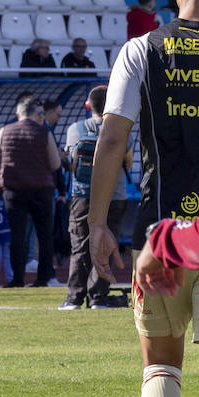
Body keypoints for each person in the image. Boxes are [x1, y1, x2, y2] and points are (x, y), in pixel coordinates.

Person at [89, 0, 199, 397]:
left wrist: (98, 223)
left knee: (162, 364)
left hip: (165, 238)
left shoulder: (142, 51)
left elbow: (112, 141)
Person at [62, 84, 132, 309]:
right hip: (115, 193)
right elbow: (128, 164)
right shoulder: (121, 129)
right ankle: (98, 297)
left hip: (81, 194)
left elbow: (71, 162)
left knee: (80, 245)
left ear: (87, 105)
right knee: (106, 245)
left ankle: (74, 297)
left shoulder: (75, 128)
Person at [0, 96, 61, 286]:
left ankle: (17, 279)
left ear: (18, 114)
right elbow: (55, 163)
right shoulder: (44, 133)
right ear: (35, 113)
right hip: (41, 190)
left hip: (13, 190)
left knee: (17, 236)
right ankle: (43, 277)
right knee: (44, 235)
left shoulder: (4, 131)